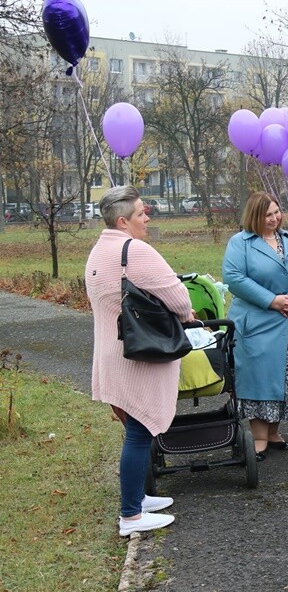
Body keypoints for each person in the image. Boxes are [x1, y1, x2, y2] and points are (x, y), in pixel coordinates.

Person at [85, 186, 194, 536]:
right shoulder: (135, 251)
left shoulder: (98, 252)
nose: (147, 218)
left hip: (112, 352)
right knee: (138, 431)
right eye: (141, 213)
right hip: (139, 356)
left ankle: (139, 498)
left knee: (136, 428)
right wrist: (186, 313)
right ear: (123, 221)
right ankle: (130, 515)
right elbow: (177, 297)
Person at [223, 192, 288, 460]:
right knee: (260, 378)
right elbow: (234, 277)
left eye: (277, 212)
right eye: (268, 214)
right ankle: (259, 436)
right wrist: (271, 300)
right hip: (258, 323)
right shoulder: (240, 243)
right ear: (255, 216)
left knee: (286, 377)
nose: (274, 218)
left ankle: (274, 432)